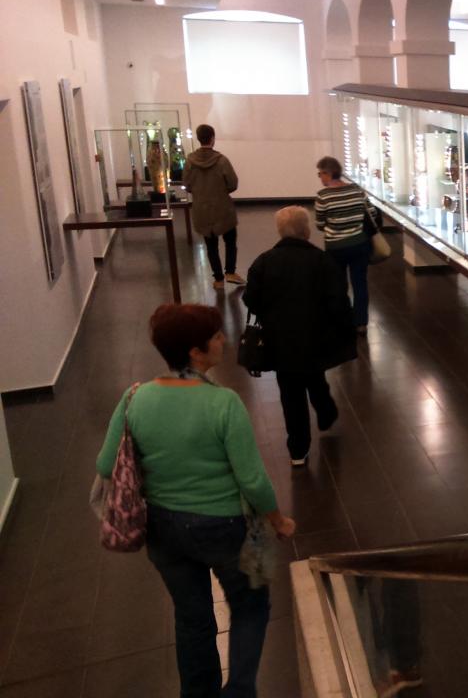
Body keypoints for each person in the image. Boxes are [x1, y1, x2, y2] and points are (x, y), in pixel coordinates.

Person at [96, 303, 296, 698]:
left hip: (162, 530)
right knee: (250, 605)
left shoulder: (134, 398)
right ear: (195, 351)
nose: (224, 340)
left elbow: (105, 464)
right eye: (216, 336)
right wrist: (278, 520)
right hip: (223, 528)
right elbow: (253, 481)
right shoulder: (224, 403)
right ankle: (239, 691)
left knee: (192, 617)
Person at [243, 206, 357, 467]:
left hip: (279, 341)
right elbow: (338, 301)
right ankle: (326, 412)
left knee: (290, 393)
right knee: (315, 376)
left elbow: (251, 300)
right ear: (306, 230)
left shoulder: (264, 262)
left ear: (280, 231)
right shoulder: (322, 261)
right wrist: (346, 330)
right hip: (316, 336)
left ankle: (298, 449)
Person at [314, 156, 374, 333]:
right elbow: (371, 212)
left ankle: (343, 319)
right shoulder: (357, 190)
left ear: (328, 173)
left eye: (320, 174)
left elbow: (319, 224)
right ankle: (361, 323)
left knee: (338, 284)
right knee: (360, 283)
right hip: (359, 243)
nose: (320, 177)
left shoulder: (323, 196)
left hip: (335, 247)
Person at [187, 124, 242, 289]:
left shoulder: (190, 162)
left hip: (202, 210)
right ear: (212, 138)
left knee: (211, 246)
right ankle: (230, 272)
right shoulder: (222, 160)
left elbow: (187, 185)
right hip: (223, 209)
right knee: (230, 241)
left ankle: (218, 279)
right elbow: (233, 183)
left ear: (198, 138)